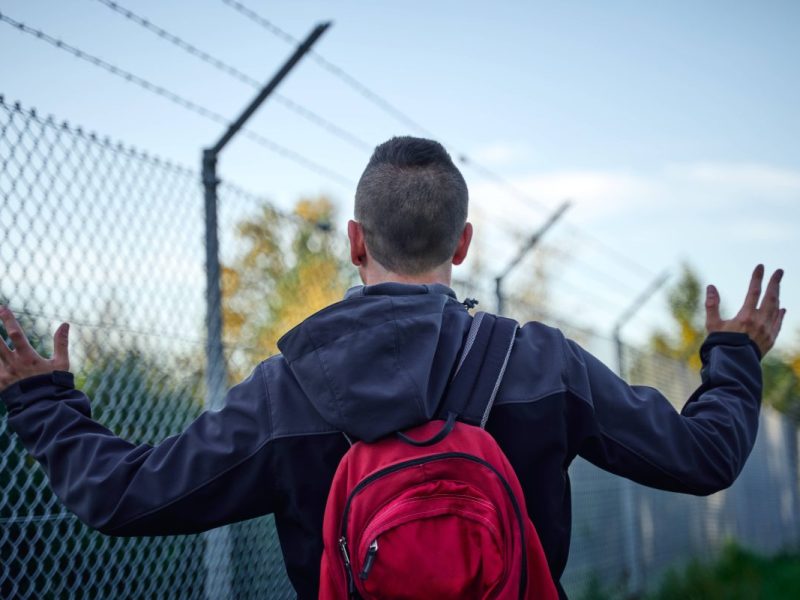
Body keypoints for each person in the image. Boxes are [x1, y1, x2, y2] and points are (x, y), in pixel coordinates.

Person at [0, 136, 786, 599]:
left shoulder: (290, 389)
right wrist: (734, 356)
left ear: (353, 241)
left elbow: (123, 496)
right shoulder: (542, 363)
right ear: (464, 243)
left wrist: (41, 402)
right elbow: (702, 456)